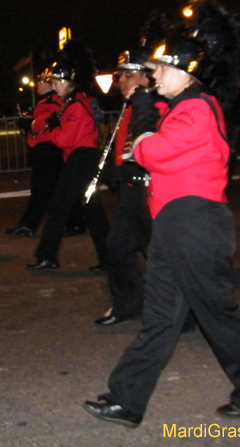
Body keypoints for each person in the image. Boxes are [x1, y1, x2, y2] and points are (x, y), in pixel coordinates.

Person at [84, 0, 240, 427]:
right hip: (173, 223)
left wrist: (144, 133)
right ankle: (126, 400)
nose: (154, 76)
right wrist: (144, 112)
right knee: (160, 317)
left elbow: (155, 151)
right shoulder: (181, 107)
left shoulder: (198, 107)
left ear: (185, 72)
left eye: (160, 70)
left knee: (216, 313)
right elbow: (143, 142)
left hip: (196, 223)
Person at [27, 41, 109, 271]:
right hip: (83, 158)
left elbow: (64, 140)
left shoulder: (74, 106)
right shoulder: (75, 103)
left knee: (58, 208)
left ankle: (47, 256)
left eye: (55, 82)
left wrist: (53, 129)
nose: (54, 86)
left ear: (65, 82)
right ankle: (109, 257)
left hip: (80, 159)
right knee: (93, 212)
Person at [93, 49, 153, 326]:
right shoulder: (130, 105)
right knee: (117, 249)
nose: (122, 81)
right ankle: (125, 305)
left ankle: (180, 312)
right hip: (130, 187)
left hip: (148, 190)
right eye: (120, 76)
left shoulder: (154, 103)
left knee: (159, 254)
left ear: (146, 77)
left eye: (129, 75)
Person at [6, 72, 86, 238]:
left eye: (41, 81)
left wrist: (31, 124)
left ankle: (29, 225)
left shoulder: (53, 101)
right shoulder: (50, 101)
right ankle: (75, 223)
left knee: (42, 190)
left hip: (48, 149)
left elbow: (51, 119)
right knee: (56, 189)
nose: (38, 84)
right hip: (48, 148)